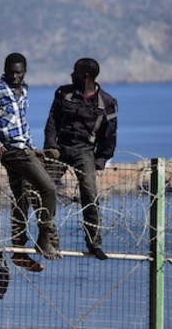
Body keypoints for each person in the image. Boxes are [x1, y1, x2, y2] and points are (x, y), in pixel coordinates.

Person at [0, 53, 60, 271]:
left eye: (19, 72)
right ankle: (44, 237)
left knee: (21, 199)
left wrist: (31, 146)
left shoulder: (24, 90)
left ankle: (19, 250)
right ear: (4, 71)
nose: (15, 76)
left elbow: (21, 122)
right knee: (48, 189)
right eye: (11, 72)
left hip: (23, 149)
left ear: (24, 72)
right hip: (13, 152)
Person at [44, 57, 118, 260]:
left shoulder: (106, 102)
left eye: (75, 71)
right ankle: (49, 237)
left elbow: (110, 134)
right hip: (59, 149)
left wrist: (101, 159)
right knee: (44, 188)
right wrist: (50, 145)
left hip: (84, 151)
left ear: (85, 76)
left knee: (90, 195)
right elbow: (52, 120)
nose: (71, 75)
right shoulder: (63, 93)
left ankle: (94, 243)